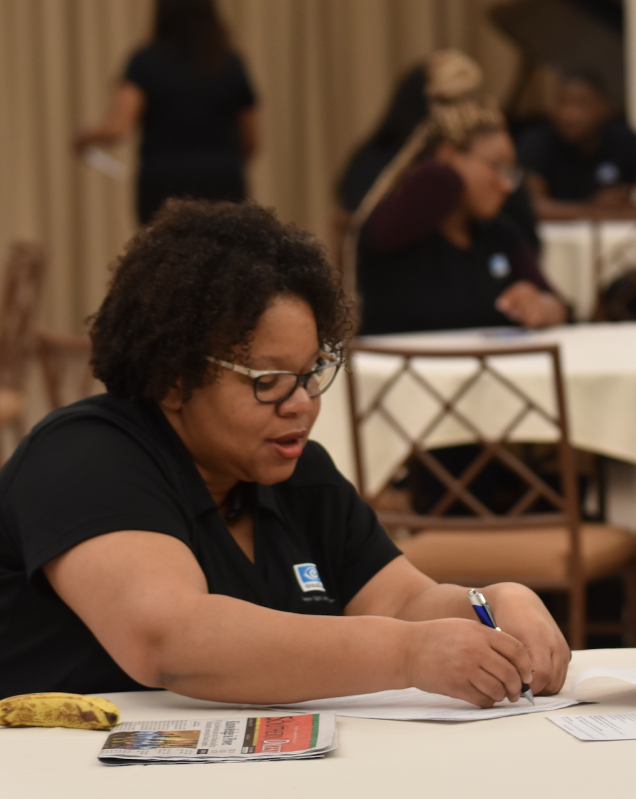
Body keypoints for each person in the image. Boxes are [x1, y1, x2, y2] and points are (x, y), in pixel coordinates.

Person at [0, 199, 570, 704]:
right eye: (268, 379)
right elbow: (169, 640)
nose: (302, 404)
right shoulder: (85, 458)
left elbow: (400, 601)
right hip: (58, 797)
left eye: (311, 373)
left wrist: (490, 604)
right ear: (174, 378)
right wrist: (407, 655)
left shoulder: (298, 474)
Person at [350, 63, 568, 336]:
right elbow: (440, 181)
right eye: (495, 167)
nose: (506, 184)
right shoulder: (396, 229)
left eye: (510, 171)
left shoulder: (500, 233)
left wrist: (540, 307)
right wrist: (448, 165)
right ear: (449, 156)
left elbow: (558, 305)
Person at [73, 0, 259, 225]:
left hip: (165, 181)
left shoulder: (144, 62)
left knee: (165, 255)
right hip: (221, 179)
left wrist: (83, 139)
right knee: (227, 255)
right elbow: (250, 140)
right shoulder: (231, 62)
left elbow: (117, 128)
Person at [518, 68, 636, 219]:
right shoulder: (538, 141)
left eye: (581, 104)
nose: (569, 115)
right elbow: (531, 207)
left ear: (605, 107)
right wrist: (594, 211)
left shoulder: (625, 140)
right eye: (562, 103)